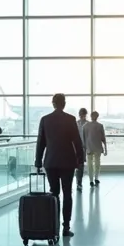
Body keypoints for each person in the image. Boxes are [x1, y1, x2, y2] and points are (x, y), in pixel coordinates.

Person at [35, 93, 85, 238]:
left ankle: (54, 226)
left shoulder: (45, 120)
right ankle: (66, 227)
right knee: (67, 193)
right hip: (67, 162)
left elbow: (41, 143)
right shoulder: (70, 119)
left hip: (50, 162)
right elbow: (77, 141)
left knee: (54, 193)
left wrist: (38, 162)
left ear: (53, 104)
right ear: (64, 104)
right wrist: (80, 160)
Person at [82, 111, 106, 187]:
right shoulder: (100, 126)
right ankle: (96, 178)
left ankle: (91, 180)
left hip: (89, 147)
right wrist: (105, 149)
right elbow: (103, 138)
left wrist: (84, 148)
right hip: (97, 147)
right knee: (97, 164)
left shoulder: (85, 126)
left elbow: (84, 138)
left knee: (90, 165)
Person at [75, 108, 89, 191]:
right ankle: (78, 182)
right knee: (78, 164)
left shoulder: (88, 124)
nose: (82, 116)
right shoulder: (76, 123)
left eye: (83, 115)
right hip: (76, 146)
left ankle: (79, 182)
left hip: (83, 147)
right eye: (80, 115)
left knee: (81, 164)